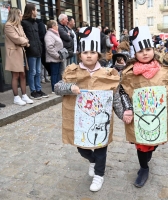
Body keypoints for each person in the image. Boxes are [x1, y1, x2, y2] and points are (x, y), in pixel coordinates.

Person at [54, 27, 123, 192]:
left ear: (98, 54)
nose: (89, 55)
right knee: (82, 147)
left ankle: (99, 174)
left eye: (93, 52)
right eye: (85, 52)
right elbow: (57, 87)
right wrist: (70, 87)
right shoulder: (72, 72)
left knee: (100, 148)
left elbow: (115, 96)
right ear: (80, 55)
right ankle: (92, 161)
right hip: (81, 121)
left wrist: (123, 114)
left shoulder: (107, 73)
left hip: (100, 120)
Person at [119, 26, 168, 188]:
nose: (145, 53)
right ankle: (143, 168)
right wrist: (127, 108)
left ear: (153, 50)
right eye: (141, 51)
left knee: (153, 144)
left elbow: (167, 86)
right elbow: (123, 91)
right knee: (141, 145)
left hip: (158, 116)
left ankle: (148, 155)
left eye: (148, 49)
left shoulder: (162, 70)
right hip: (140, 118)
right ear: (134, 53)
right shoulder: (129, 73)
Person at [4, 7, 33, 106]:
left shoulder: (19, 26)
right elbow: (17, 39)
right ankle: (16, 97)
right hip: (14, 54)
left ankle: (24, 95)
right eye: (20, 14)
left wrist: (24, 41)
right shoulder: (8, 25)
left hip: (21, 53)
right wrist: (24, 41)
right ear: (16, 14)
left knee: (23, 75)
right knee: (15, 76)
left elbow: (25, 38)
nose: (21, 15)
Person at [22, 4, 49, 99]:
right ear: (31, 11)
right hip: (31, 51)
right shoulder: (24, 23)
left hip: (38, 50)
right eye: (36, 10)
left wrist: (40, 48)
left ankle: (38, 89)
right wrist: (29, 48)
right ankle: (33, 91)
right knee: (32, 72)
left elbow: (37, 38)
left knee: (38, 72)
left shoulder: (35, 23)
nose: (37, 11)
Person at [45, 20, 63, 93]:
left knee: (58, 74)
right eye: (57, 25)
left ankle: (58, 88)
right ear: (53, 26)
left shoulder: (55, 33)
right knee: (54, 74)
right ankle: (54, 89)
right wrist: (57, 55)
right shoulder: (49, 35)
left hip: (58, 58)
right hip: (54, 58)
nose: (58, 26)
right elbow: (49, 47)